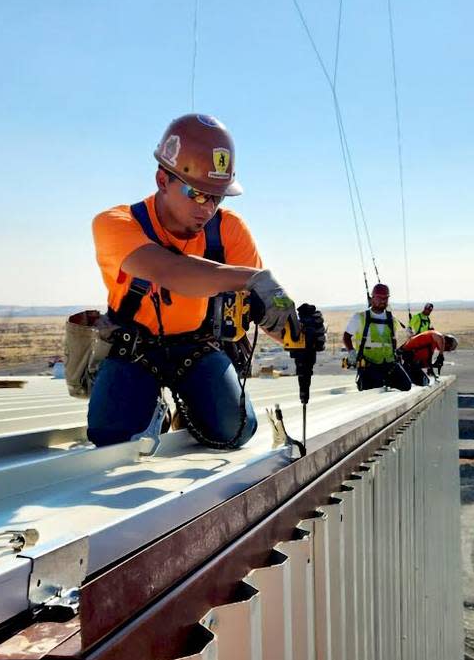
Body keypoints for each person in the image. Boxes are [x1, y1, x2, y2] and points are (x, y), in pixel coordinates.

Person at [87, 113, 318, 449]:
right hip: (135, 348)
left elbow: (265, 305)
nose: (208, 207)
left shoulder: (230, 231)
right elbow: (172, 272)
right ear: (162, 180)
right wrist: (252, 279)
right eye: (196, 194)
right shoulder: (116, 224)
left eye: (217, 197)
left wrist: (296, 334)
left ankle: (189, 410)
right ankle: (153, 407)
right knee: (111, 438)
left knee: (235, 430)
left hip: (196, 347)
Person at [341, 283, 412, 391]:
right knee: (373, 391)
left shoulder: (391, 319)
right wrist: (351, 352)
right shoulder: (360, 317)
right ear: (372, 298)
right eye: (379, 298)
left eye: (385, 298)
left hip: (389, 364)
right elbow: (346, 336)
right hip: (369, 364)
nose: (383, 301)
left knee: (406, 385)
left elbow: (392, 339)